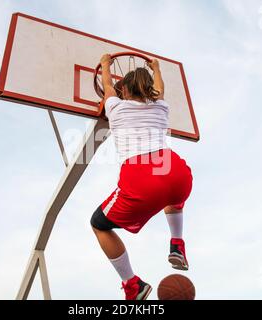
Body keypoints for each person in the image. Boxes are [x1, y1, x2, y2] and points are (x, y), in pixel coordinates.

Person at [91, 54, 193, 300]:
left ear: (122, 90)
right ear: (149, 89)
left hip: (141, 174)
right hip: (174, 169)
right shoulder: (161, 107)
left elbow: (107, 86)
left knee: (98, 224)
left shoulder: (115, 106)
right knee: (172, 195)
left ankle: (132, 284)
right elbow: (160, 89)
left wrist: (105, 65)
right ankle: (177, 243)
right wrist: (156, 67)